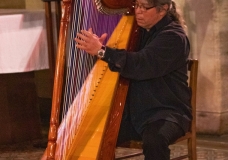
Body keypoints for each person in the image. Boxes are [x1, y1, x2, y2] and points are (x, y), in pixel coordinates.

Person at [75, 0, 191, 159]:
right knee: (92, 133)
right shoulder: (137, 31)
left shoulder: (173, 37)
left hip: (165, 111)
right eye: (137, 5)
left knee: (154, 140)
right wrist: (101, 49)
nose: (138, 11)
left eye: (144, 7)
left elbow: (140, 64)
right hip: (134, 112)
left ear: (163, 9)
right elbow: (125, 59)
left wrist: (103, 51)